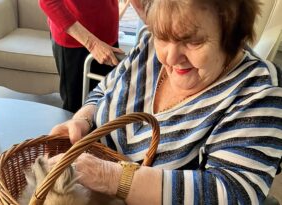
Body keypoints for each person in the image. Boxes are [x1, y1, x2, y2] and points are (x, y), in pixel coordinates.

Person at [49, 0, 282, 204]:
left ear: (233, 36)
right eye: (163, 36)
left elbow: (234, 193)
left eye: (192, 41)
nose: (170, 58)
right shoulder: (148, 45)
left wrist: (109, 177)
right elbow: (104, 90)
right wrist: (83, 119)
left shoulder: (258, 92)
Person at [39, 0, 125, 113]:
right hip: (77, 42)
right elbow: (48, 2)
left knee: (105, 105)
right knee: (76, 111)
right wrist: (93, 44)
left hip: (108, 36)